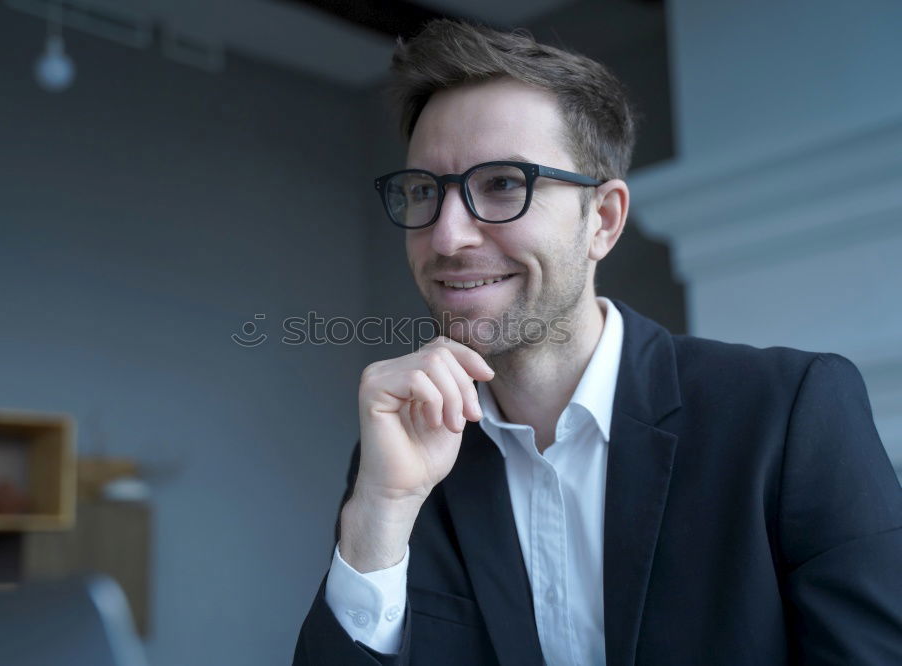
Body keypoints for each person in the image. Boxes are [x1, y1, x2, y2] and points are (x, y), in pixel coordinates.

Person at [293, 19, 902, 666]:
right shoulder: (404, 451)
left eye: (503, 183)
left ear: (603, 221)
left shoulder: (788, 413)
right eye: (424, 191)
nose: (446, 237)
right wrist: (379, 513)